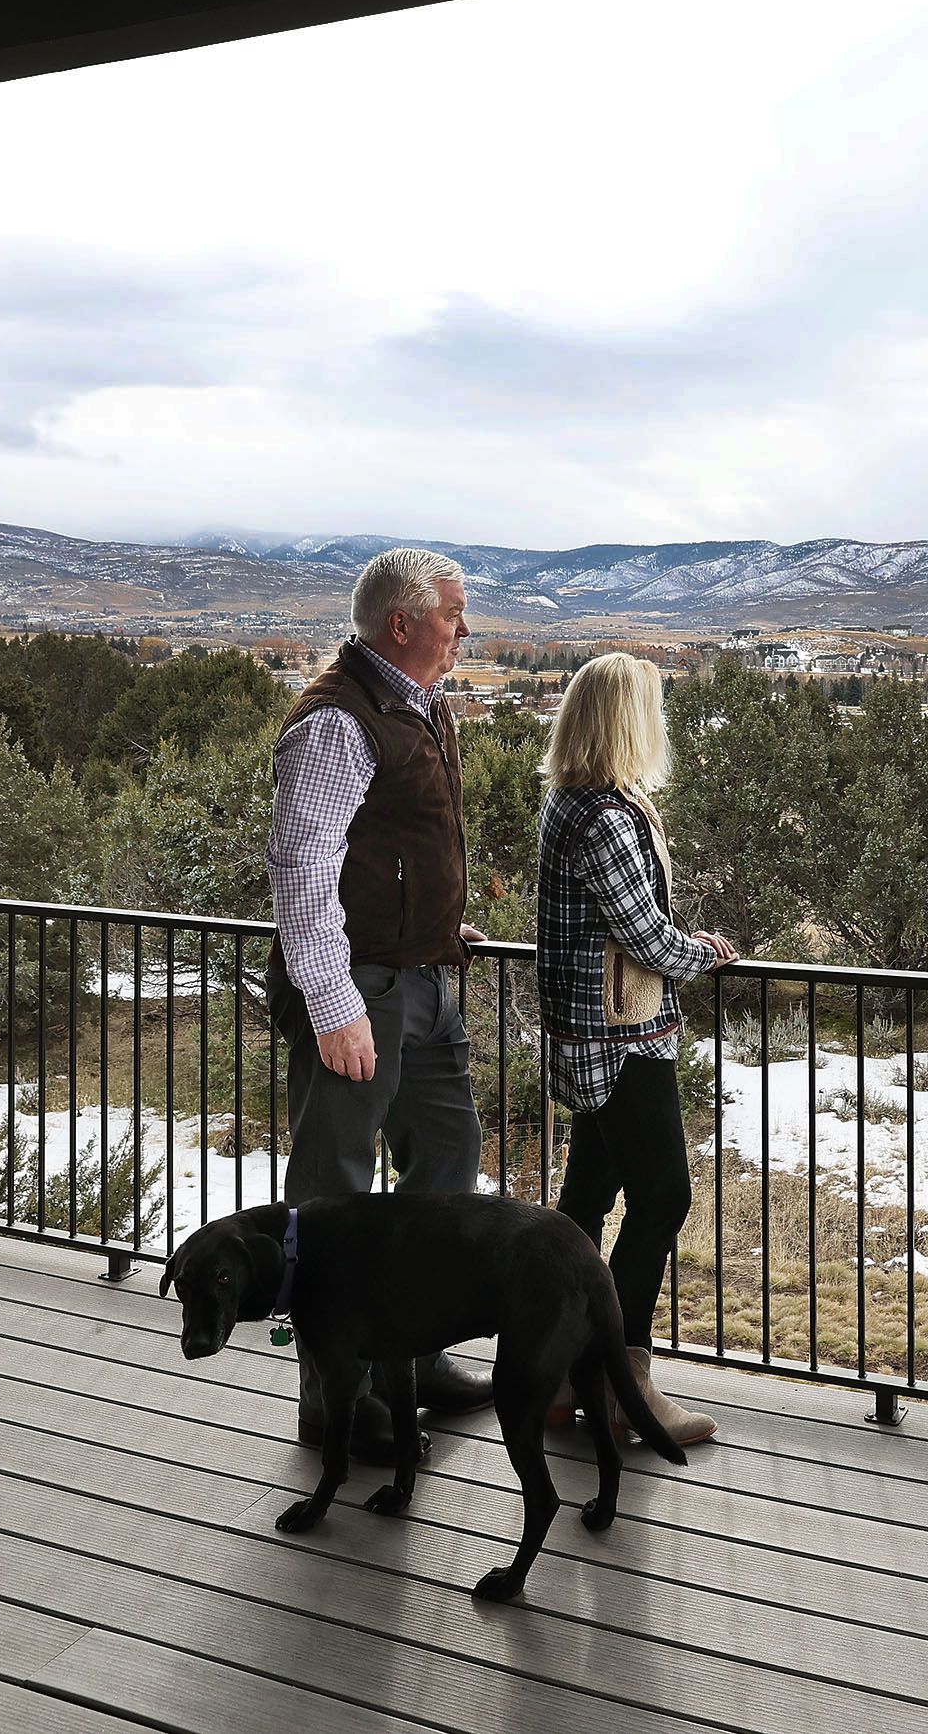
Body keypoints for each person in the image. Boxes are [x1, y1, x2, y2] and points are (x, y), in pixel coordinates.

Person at [267, 546, 497, 1451]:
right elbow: (302, 871)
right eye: (451, 614)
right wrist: (332, 1002)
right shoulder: (337, 721)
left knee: (448, 1162)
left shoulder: (412, 706)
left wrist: (441, 925)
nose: (463, 629)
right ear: (401, 624)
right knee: (334, 1194)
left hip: (421, 977)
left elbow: (390, 851)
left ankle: (414, 1357)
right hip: (360, 989)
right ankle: (334, 1398)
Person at [536, 651, 734, 1448]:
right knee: (663, 1200)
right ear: (627, 720)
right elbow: (645, 936)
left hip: (588, 1033)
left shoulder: (568, 803)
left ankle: (555, 1373)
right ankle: (624, 1384)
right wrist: (706, 952)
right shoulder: (609, 820)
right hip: (624, 1038)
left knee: (585, 1201)